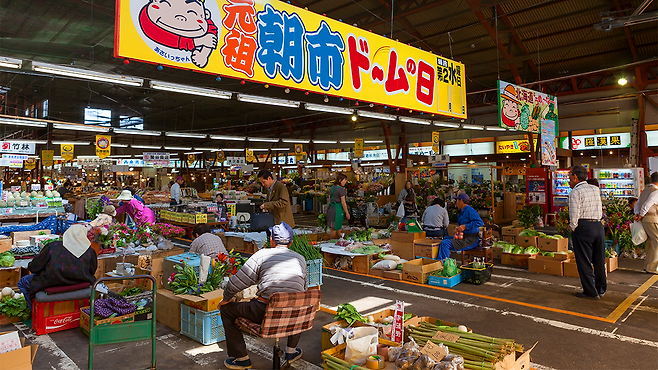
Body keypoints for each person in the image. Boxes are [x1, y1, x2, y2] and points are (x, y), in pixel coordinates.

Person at [218, 222, 307, 370]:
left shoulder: (262, 255)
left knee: (227, 310)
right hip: (294, 316)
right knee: (297, 302)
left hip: (264, 312)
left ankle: (241, 358)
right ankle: (291, 351)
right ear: (291, 242)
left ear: (271, 240)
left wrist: (226, 299)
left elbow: (235, 283)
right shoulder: (300, 259)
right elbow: (303, 289)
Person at [17, 224, 97, 311]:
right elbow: (92, 271)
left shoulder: (53, 246)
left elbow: (34, 268)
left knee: (23, 282)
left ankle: (35, 311)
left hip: (52, 283)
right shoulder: (90, 251)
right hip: (80, 284)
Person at [569, 165, 606, 299]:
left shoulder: (575, 192)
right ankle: (601, 288)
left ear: (575, 177)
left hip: (583, 227)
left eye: (570, 176)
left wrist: (574, 228)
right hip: (598, 225)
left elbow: (574, 214)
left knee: (584, 260)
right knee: (599, 259)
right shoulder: (595, 189)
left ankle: (591, 291)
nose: (568, 180)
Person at [437, 193, 484, 260]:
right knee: (445, 238)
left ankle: (443, 264)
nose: (456, 203)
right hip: (463, 237)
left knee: (445, 243)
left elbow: (480, 222)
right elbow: (462, 226)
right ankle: (440, 261)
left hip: (470, 240)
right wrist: (458, 229)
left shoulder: (470, 211)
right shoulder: (462, 212)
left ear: (461, 201)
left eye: (457, 201)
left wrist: (465, 226)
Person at [634, 172, 658, 274]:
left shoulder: (645, 190)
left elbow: (637, 204)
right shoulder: (655, 192)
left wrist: (637, 214)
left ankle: (647, 265)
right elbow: (646, 205)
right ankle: (652, 268)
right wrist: (641, 214)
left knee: (650, 242)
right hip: (652, 218)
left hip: (645, 220)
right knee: (657, 241)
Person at [326, 173, 350, 239]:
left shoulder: (331, 188)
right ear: (339, 180)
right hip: (337, 210)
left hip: (331, 209)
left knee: (336, 227)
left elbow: (329, 200)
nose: (345, 182)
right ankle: (331, 243)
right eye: (344, 180)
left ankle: (339, 240)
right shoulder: (341, 189)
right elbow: (343, 202)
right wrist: (347, 213)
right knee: (334, 228)